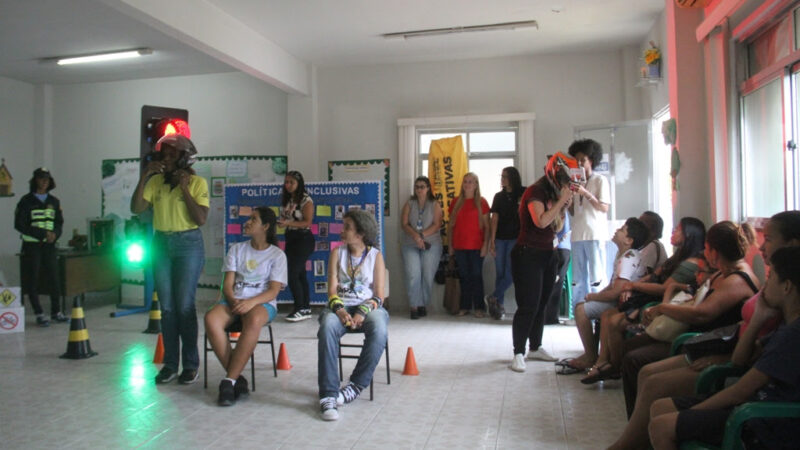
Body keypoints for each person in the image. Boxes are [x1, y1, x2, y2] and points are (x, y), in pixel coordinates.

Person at [608, 212, 799, 450]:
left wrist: (663, 306)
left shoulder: (758, 293)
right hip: (727, 349)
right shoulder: (728, 276)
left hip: (744, 385)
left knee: (644, 370)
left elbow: (703, 314)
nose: (761, 245)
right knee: (641, 366)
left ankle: (631, 442)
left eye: (768, 239)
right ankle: (635, 438)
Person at [648, 245, 800, 450]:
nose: (764, 286)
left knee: (661, 426)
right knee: (660, 407)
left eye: (770, 277)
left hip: (764, 421)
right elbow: (738, 360)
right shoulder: (784, 324)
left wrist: (694, 412)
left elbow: (741, 390)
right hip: (751, 405)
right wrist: (757, 319)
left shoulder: (792, 336)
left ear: (787, 287)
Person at [620, 221, 760, 417]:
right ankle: (638, 422)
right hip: (697, 337)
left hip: (703, 341)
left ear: (714, 251)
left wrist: (662, 307)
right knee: (630, 350)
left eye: (707, 247)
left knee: (636, 361)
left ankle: (639, 428)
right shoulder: (723, 272)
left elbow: (701, 313)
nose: (704, 251)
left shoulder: (737, 280)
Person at [582, 217, 706, 385]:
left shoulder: (688, 264)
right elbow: (654, 276)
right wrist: (631, 287)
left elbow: (664, 288)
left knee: (614, 321)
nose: (673, 231)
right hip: (653, 296)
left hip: (661, 301)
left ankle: (614, 365)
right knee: (608, 315)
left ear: (688, 236)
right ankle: (606, 361)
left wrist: (632, 286)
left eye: (678, 229)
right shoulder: (677, 256)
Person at [131, 134, 208, 385]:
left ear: (184, 158)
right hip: (161, 244)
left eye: (172, 154)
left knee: (185, 305)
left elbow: (200, 219)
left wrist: (184, 187)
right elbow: (137, 208)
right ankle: (170, 364)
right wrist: (145, 175)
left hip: (188, 244)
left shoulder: (198, 183)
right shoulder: (156, 183)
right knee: (167, 307)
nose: (166, 158)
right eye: (164, 154)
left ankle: (191, 364)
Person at [205, 207, 287, 406]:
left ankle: (228, 381)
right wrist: (234, 301)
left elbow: (273, 291)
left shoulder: (277, 255)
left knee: (254, 319)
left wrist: (250, 303)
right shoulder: (237, 249)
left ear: (266, 227)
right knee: (211, 319)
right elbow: (227, 285)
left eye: (253, 219)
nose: (247, 222)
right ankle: (236, 378)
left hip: (261, 303)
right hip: (234, 300)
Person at [318, 210, 388, 421]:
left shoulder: (375, 256)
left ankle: (355, 386)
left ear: (360, 234)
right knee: (327, 327)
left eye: (347, 227)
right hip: (339, 307)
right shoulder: (336, 253)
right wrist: (339, 311)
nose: (342, 230)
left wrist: (362, 312)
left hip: (367, 307)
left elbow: (379, 295)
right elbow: (331, 291)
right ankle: (328, 395)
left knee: (379, 328)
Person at [558, 217, 650, 375]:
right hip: (619, 300)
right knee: (582, 306)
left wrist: (593, 297)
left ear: (629, 240)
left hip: (625, 303)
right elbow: (612, 285)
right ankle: (592, 354)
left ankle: (591, 355)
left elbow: (616, 292)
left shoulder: (628, 258)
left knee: (581, 310)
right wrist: (597, 295)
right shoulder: (623, 255)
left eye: (622, 230)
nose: (617, 230)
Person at [509, 153, 574, 373]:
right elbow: (541, 221)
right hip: (527, 254)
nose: (566, 186)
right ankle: (518, 352)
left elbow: (554, 227)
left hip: (548, 253)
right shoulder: (535, 192)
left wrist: (563, 207)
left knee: (542, 303)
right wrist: (561, 202)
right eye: (565, 181)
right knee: (528, 304)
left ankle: (535, 346)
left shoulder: (551, 192)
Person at [14, 167, 67, 327]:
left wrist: (54, 234)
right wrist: (42, 233)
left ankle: (56, 312)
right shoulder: (25, 201)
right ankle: (39, 313)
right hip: (32, 245)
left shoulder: (54, 201)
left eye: (47, 179)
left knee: (54, 278)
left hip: (49, 246)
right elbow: (20, 224)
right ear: (35, 180)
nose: (44, 182)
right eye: (41, 178)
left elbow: (59, 223)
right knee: (33, 279)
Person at [568, 139, 611, 324]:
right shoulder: (574, 183)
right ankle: (578, 313)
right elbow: (573, 211)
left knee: (596, 276)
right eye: (576, 160)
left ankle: (597, 314)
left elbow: (604, 207)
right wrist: (568, 198)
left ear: (591, 160)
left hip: (595, 234)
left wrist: (585, 193)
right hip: (577, 235)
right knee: (578, 278)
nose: (579, 164)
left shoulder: (600, 180)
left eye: (583, 160)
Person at [447, 172, 491, 317]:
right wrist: (450, 245)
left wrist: (486, 244)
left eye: (471, 181)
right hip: (460, 246)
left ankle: (479, 308)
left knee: (476, 276)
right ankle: (464, 306)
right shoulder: (456, 202)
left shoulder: (482, 202)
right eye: (465, 181)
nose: (467, 184)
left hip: (477, 247)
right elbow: (451, 226)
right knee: (464, 276)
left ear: (476, 184)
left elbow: (487, 226)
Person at [401, 176, 443, 319]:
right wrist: (416, 237)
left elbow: (437, 224)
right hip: (411, 242)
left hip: (431, 243)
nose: (419, 189)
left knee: (427, 275)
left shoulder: (434, 204)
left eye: (422, 186)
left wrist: (422, 236)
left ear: (428, 188)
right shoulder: (410, 203)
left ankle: (422, 304)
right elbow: (404, 224)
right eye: (417, 187)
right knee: (413, 275)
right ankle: (414, 306)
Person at [486, 167, 524, 320]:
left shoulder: (523, 192)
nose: (502, 179)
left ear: (513, 178)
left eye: (505, 177)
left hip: (516, 237)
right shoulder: (498, 196)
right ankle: (498, 307)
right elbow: (494, 219)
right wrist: (492, 241)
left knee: (511, 272)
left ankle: (493, 296)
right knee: (500, 273)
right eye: (501, 176)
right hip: (500, 238)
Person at [279, 170, 315, 322]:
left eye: (291, 182)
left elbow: (307, 222)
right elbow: (288, 218)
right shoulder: (289, 199)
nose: (288, 185)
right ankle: (305, 308)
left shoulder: (306, 200)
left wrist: (288, 223)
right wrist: (282, 222)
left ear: (299, 184)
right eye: (286, 182)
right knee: (300, 274)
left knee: (292, 273)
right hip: (291, 238)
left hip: (303, 239)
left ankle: (299, 307)